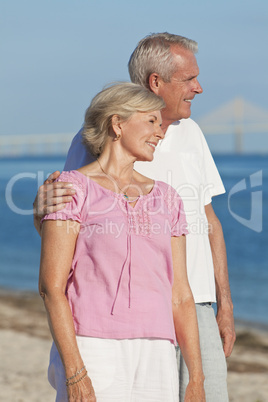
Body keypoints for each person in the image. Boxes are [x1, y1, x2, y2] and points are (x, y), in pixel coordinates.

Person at [34, 33, 236, 401]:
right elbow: (66, 234)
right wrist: (42, 211)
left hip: (189, 308)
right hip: (104, 328)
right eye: (189, 78)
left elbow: (209, 223)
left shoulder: (191, 140)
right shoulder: (85, 149)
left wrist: (226, 304)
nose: (199, 88)